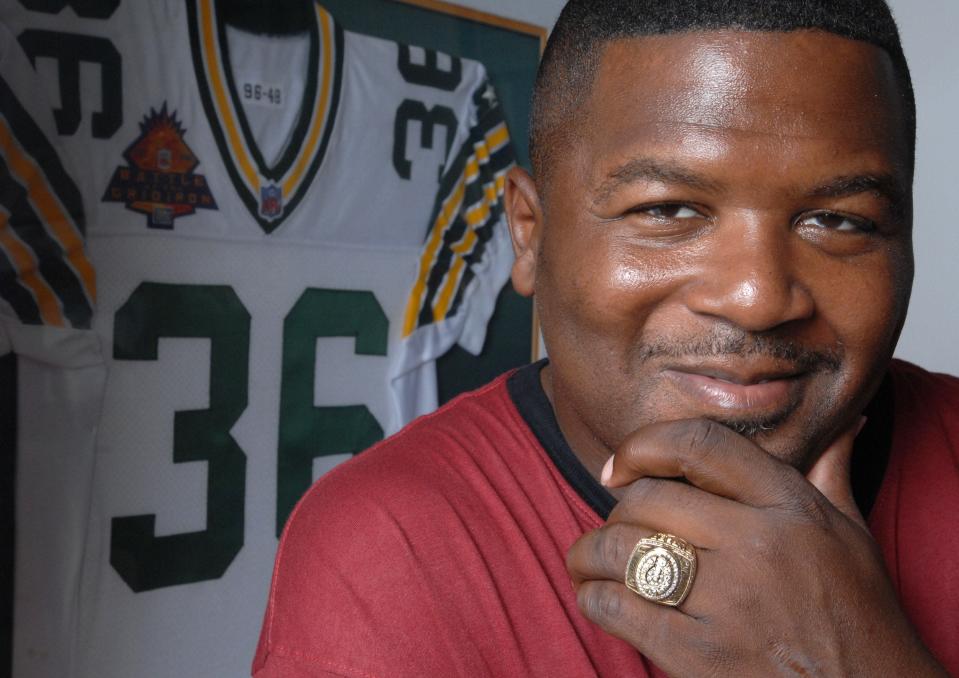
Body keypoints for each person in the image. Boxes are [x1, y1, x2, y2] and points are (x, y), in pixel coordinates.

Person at [252, 0, 959, 675]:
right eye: (668, 210)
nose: (757, 298)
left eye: (837, 221)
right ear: (527, 234)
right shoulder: (392, 543)